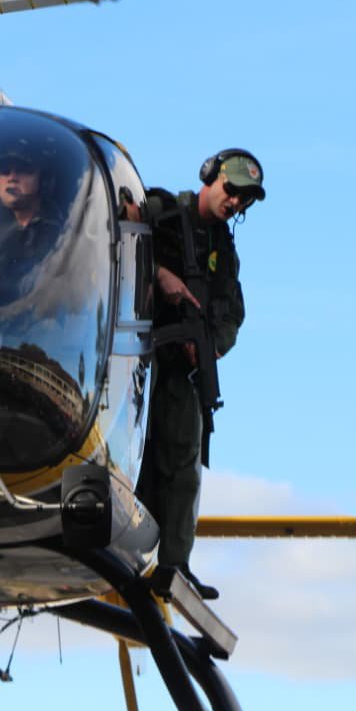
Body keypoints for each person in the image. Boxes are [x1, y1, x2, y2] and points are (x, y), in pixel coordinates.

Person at [137, 148, 266, 601]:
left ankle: (173, 563)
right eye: (231, 191)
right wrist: (158, 276)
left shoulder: (224, 250)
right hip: (135, 359)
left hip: (184, 368)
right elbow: (115, 241)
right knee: (139, 462)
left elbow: (232, 311)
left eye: (244, 201)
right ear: (211, 178)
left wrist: (210, 347)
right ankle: (133, 554)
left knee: (184, 463)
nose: (235, 204)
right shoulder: (164, 212)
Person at [0, 142, 62, 303]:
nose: (12, 178)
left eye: (23, 170)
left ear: (44, 181)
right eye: (5, 171)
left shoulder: (64, 231)